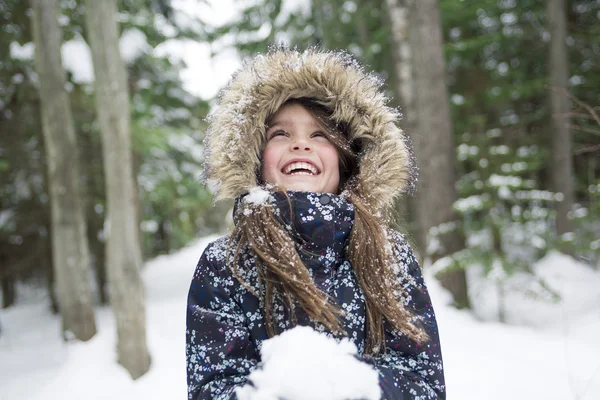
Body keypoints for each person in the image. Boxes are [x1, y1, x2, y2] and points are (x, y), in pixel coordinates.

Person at [186, 48, 445, 400]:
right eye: (280, 134)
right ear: (256, 158)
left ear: (346, 159)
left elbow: (424, 383)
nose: (300, 146)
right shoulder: (225, 263)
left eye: (320, 135)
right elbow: (211, 387)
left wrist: (351, 384)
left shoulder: (390, 255)